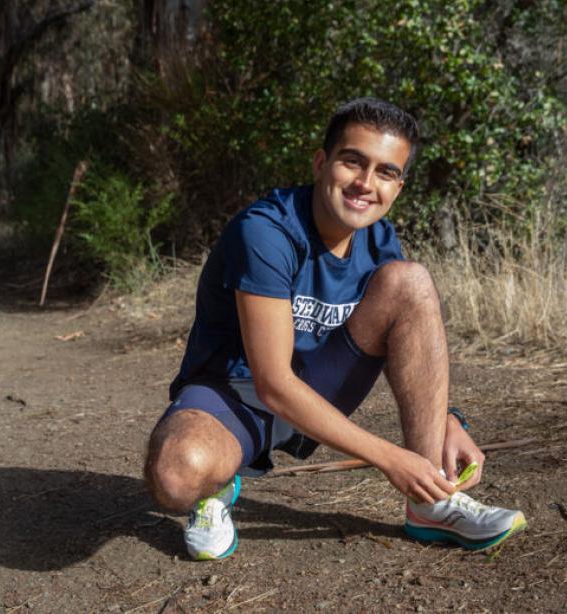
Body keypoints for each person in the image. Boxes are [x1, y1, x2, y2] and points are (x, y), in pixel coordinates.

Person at [144, 97, 526, 560]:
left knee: (411, 282)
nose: (366, 184)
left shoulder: (379, 239)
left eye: (386, 172)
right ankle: (217, 488)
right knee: (176, 475)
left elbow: (413, 344)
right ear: (322, 162)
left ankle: (433, 502)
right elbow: (273, 384)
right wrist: (389, 457)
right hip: (234, 393)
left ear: (399, 186)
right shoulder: (266, 231)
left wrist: (449, 419)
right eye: (353, 161)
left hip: (318, 385)